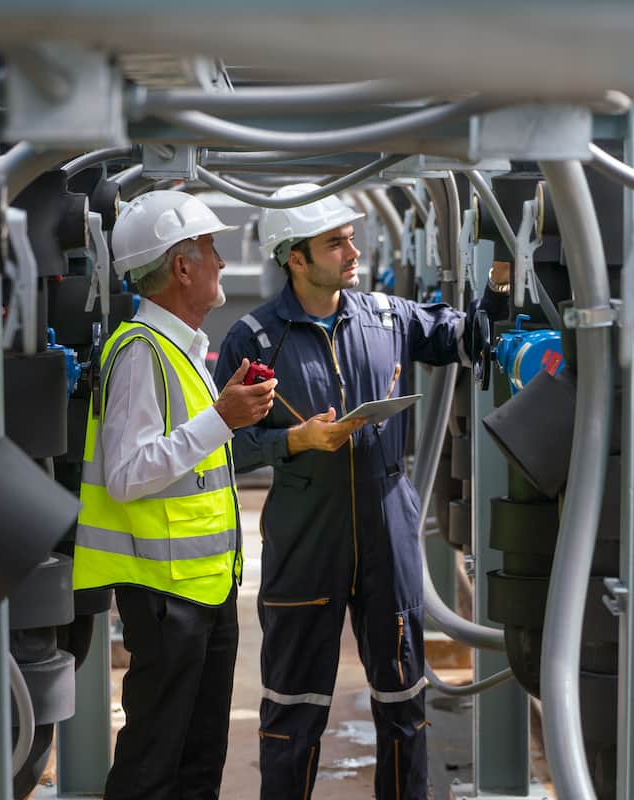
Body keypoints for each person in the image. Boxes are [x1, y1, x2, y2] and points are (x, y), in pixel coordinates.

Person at [215, 184, 510, 799]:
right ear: (295, 258)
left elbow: (472, 335)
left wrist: (504, 277)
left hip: (387, 529)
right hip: (305, 536)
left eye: (351, 236)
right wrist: (295, 441)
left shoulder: (387, 316)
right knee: (292, 712)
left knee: (404, 704)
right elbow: (222, 450)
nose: (354, 249)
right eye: (335, 242)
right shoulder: (254, 340)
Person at [72, 190, 277, 800]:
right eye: (209, 249)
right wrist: (221, 418)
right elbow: (129, 473)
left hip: (202, 588)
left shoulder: (181, 351)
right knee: (153, 762)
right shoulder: (140, 352)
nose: (220, 262)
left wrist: (223, 410)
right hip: (166, 595)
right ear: (181, 266)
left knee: (198, 759)